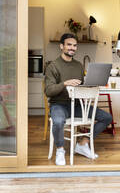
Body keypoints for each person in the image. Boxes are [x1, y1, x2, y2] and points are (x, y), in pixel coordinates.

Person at [44, 33, 112, 165]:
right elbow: (48, 91)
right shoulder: (53, 66)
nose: (72, 48)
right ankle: (60, 150)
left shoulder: (79, 65)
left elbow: (80, 86)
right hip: (59, 105)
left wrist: (91, 85)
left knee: (106, 117)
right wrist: (64, 83)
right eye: (69, 45)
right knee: (58, 122)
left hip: (76, 105)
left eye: (75, 45)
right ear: (61, 46)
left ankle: (82, 144)